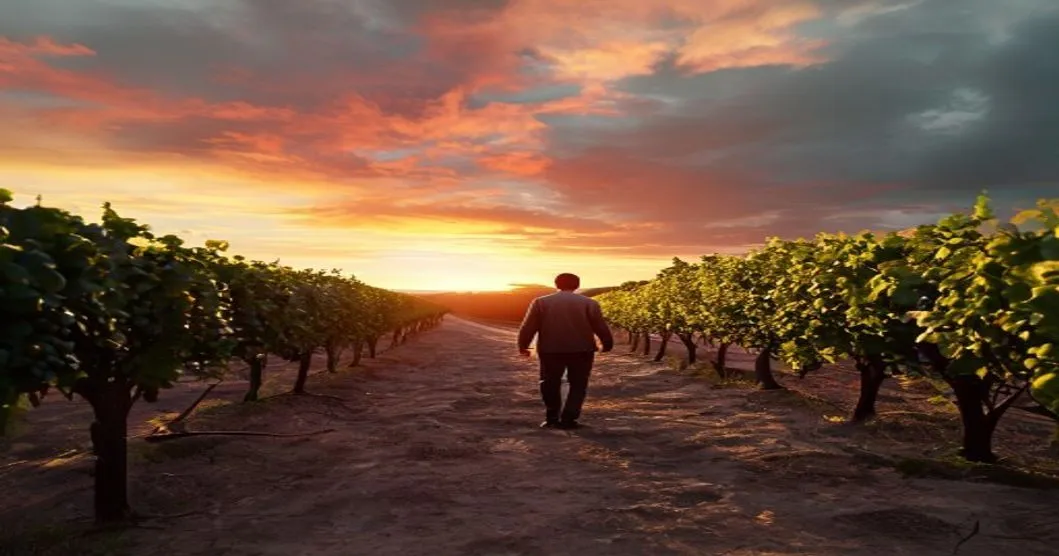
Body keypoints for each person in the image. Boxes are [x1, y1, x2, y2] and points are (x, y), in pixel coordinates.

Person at [517, 273, 614, 429]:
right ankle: (569, 419)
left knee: (549, 383)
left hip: (550, 349)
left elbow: (528, 326)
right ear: (577, 285)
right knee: (578, 384)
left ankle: (552, 418)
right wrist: (607, 343)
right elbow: (600, 326)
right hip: (582, 349)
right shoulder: (589, 303)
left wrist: (523, 345)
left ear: (556, 284)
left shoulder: (541, 302)